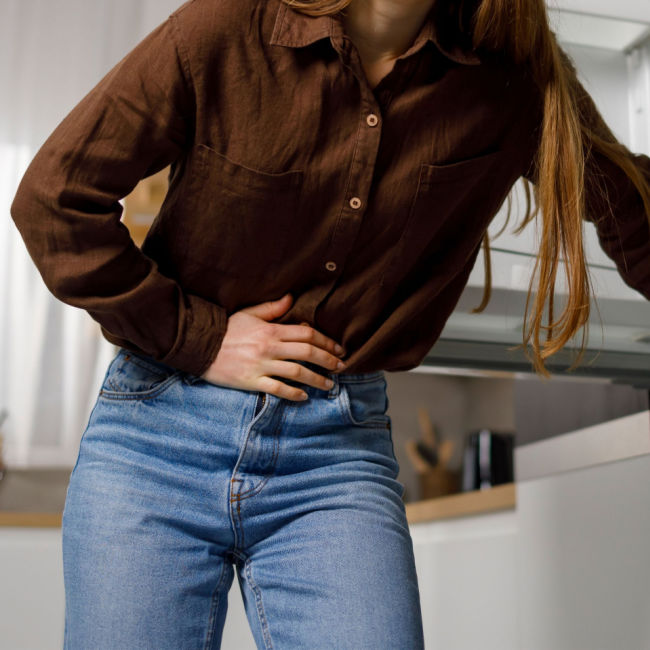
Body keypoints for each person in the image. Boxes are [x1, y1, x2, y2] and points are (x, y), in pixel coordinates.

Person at [9, 0, 650, 647]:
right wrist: (200, 340)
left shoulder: (517, 79)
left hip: (333, 459)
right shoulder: (229, 26)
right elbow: (54, 202)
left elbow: (636, 214)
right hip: (154, 444)